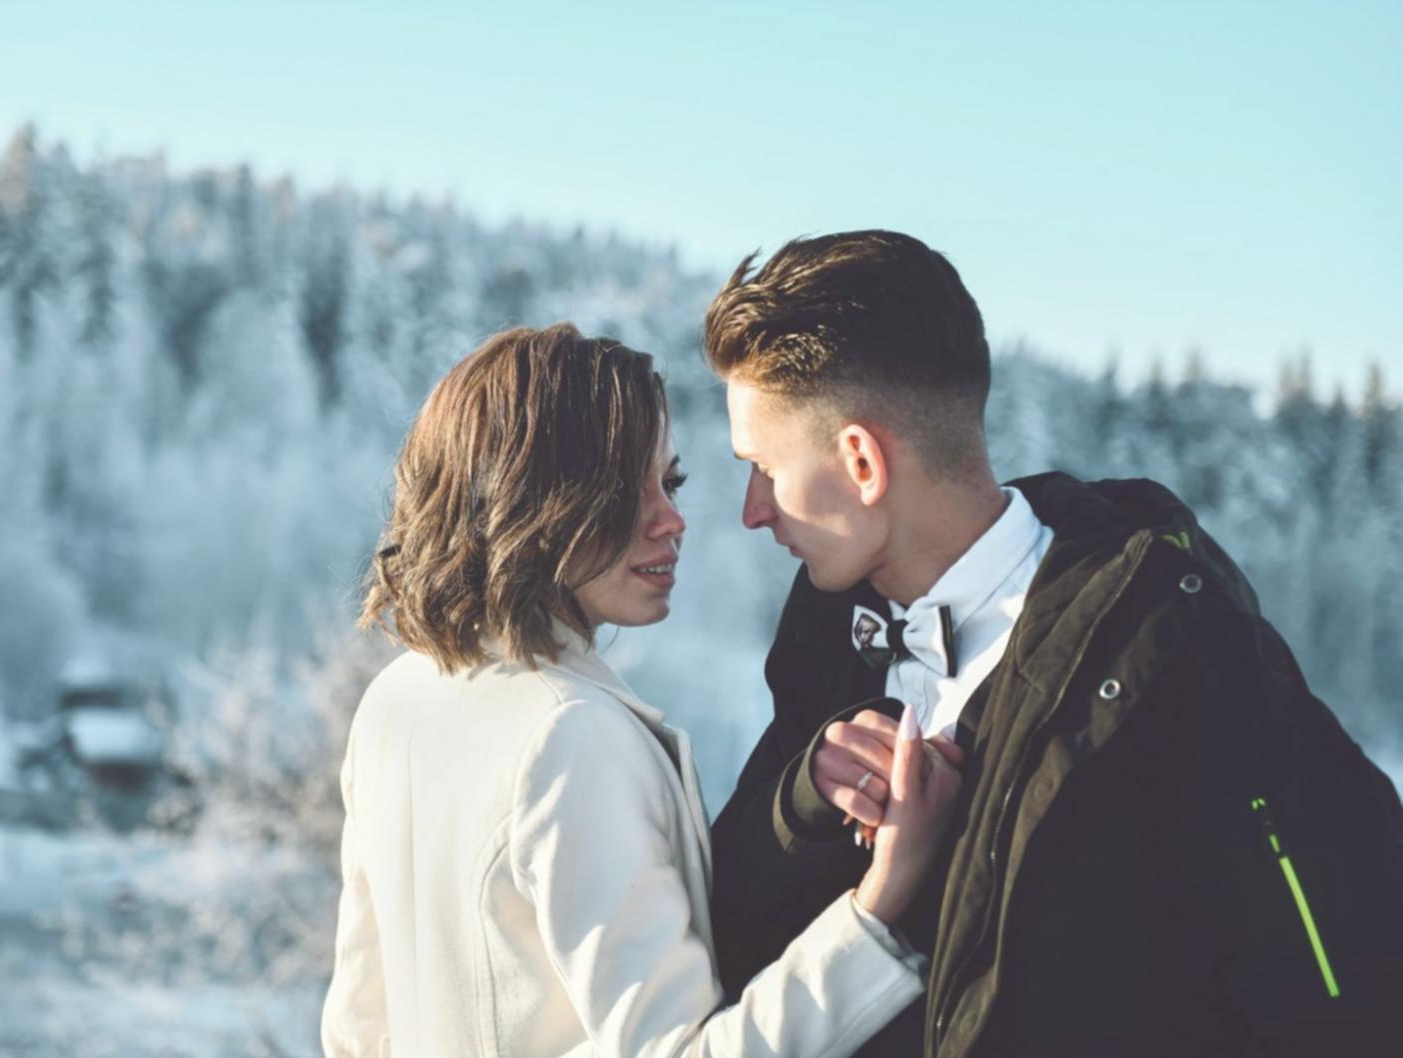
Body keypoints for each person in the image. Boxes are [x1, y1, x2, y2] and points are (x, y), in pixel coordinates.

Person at [700, 230, 1403, 1057]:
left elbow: (1338, 978)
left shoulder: (1168, 654)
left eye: (765, 468)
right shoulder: (825, 635)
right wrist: (804, 805)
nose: (753, 510)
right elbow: (727, 935)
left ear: (861, 463)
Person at [320, 324, 966, 1058]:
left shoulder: (397, 699)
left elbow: (357, 1029)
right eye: (630, 489)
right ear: (535, 496)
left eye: (672, 481)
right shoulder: (568, 736)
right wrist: (881, 904)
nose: (673, 520)